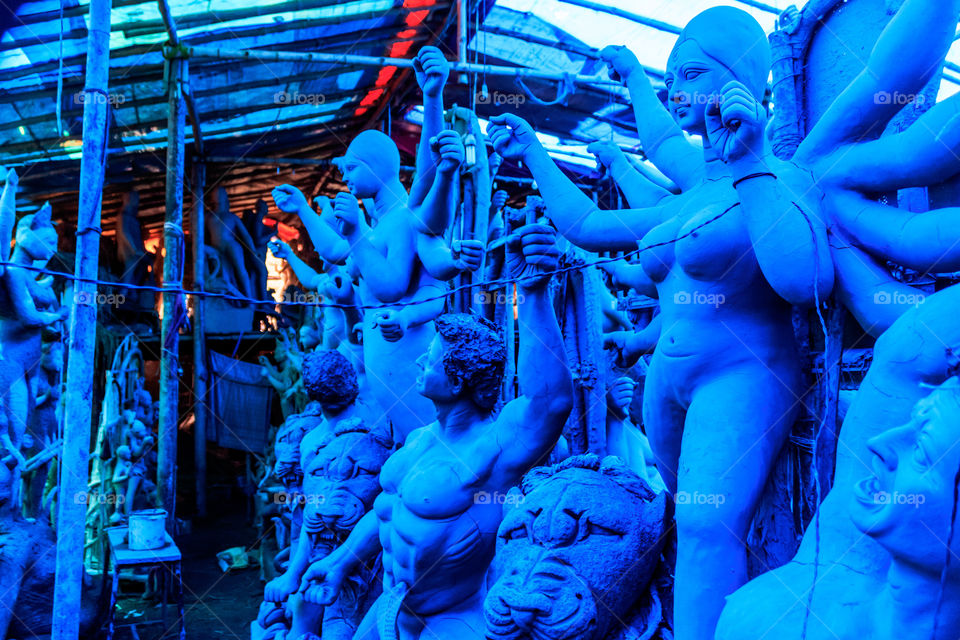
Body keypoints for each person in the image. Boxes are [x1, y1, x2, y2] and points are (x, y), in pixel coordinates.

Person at [489, 8, 834, 638]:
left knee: (707, 526)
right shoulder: (687, 197)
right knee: (688, 517)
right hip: (667, 385)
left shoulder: (780, 177)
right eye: (671, 76)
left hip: (742, 373)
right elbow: (589, 227)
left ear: (740, 79)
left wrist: (754, 159)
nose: (677, 88)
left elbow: (805, 281)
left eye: (694, 72)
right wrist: (534, 152)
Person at [295, 223, 573, 640]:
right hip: (390, 609)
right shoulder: (418, 441)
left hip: (451, 619)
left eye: (433, 358)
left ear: (459, 380)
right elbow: (385, 512)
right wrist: (340, 562)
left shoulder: (493, 449)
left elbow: (550, 403)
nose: (422, 360)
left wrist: (533, 294)